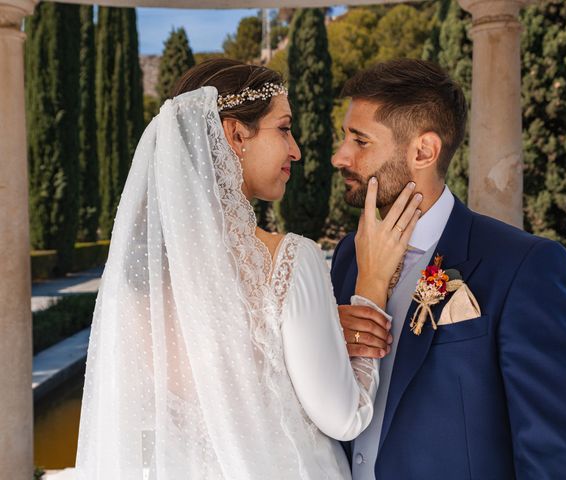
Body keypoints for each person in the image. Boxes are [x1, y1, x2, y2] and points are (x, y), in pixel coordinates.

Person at [74, 59, 422, 479]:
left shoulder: (135, 283)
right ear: (236, 134)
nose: (295, 148)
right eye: (283, 128)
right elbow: (345, 417)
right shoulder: (288, 259)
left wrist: (324, 326)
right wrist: (372, 283)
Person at [330, 59, 566, 479]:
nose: (339, 156)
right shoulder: (348, 256)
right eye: (344, 138)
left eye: (360, 141)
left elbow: (556, 453)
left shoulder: (523, 266)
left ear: (424, 150)